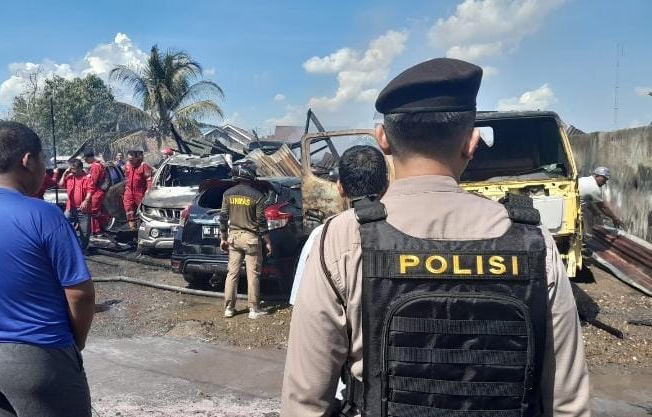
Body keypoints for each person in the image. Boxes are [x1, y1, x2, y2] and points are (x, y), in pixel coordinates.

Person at [281, 58, 590, 417]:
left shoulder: (342, 239)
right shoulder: (532, 242)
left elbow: (305, 403)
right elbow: (567, 403)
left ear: (382, 139)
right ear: (471, 142)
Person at [0, 121, 95, 417]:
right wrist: (75, 344)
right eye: (44, 161)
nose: (46, 170)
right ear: (28, 160)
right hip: (39, 356)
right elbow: (80, 294)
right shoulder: (44, 215)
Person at [289, 145, 389, 305]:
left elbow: (304, 302)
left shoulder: (322, 235)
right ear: (386, 186)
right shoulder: (406, 227)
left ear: (340, 187)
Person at [219, 160, 271, 319]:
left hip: (233, 238)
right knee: (253, 275)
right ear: (249, 174)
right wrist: (267, 241)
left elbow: (223, 217)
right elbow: (261, 222)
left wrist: (223, 238)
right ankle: (254, 310)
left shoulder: (227, 194)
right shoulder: (257, 196)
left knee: (232, 274)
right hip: (251, 240)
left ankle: (229, 309)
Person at [578, 166, 625, 232]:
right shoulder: (594, 188)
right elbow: (603, 207)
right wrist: (615, 219)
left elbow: (583, 198)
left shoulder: (583, 179)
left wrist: (594, 210)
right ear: (597, 176)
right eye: (604, 179)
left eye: (606, 180)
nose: (604, 182)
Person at [60, 158, 92, 252]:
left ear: (80, 168)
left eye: (73, 169)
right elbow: (61, 185)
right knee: (62, 225)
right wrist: (64, 174)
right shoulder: (70, 177)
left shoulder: (87, 178)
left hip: (83, 210)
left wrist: (86, 201)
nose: (72, 171)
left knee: (85, 232)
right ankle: (67, 246)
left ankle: (82, 249)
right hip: (70, 208)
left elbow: (90, 191)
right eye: (71, 168)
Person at [123, 149, 153, 231]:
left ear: (137, 158)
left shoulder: (143, 166)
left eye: (132, 160)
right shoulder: (128, 165)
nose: (130, 161)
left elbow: (149, 180)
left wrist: (148, 192)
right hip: (129, 191)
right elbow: (126, 177)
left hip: (140, 192)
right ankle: (132, 228)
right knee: (128, 209)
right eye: (129, 160)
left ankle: (143, 228)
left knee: (142, 211)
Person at [81, 150, 109, 235]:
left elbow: (93, 181)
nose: (85, 161)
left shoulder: (95, 166)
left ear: (90, 158)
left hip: (97, 191)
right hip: (98, 191)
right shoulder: (98, 164)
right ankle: (97, 229)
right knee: (95, 211)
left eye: (86, 159)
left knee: (94, 211)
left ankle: (101, 225)